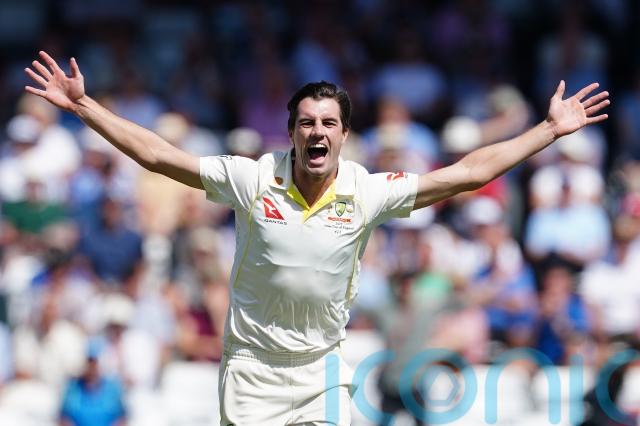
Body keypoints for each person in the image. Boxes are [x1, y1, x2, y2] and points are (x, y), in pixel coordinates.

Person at [24, 51, 609, 425]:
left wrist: (547, 130)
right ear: (291, 132)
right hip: (252, 370)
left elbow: (468, 174)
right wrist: (85, 107)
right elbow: (158, 155)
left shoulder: (367, 190)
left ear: (345, 135)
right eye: (307, 122)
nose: (317, 132)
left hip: (321, 370)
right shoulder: (253, 178)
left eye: (329, 123)